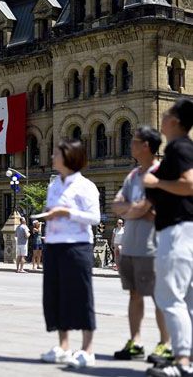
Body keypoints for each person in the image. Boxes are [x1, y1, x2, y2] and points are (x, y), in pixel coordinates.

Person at [111, 126, 172, 363]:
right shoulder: (133, 175)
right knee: (134, 295)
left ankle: (165, 344)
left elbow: (164, 212)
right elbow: (117, 205)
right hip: (131, 246)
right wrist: (137, 209)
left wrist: (134, 210)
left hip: (154, 247)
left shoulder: (162, 174)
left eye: (134, 141)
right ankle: (135, 342)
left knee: (160, 297)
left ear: (146, 146)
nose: (130, 144)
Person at [40, 139, 100, 369]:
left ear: (69, 158)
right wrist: (49, 213)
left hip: (77, 245)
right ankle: (63, 346)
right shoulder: (54, 184)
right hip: (54, 244)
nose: (52, 157)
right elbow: (51, 209)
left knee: (81, 295)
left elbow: (94, 217)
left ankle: (87, 349)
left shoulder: (85, 186)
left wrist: (68, 212)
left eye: (56, 154)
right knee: (55, 295)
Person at [144, 99, 193, 377]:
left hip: (177, 232)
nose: (161, 119)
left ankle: (182, 362)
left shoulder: (179, 147)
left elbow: (189, 183)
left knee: (170, 297)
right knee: (187, 300)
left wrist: (156, 183)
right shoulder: (184, 148)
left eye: (165, 115)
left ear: (174, 122)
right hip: (184, 230)